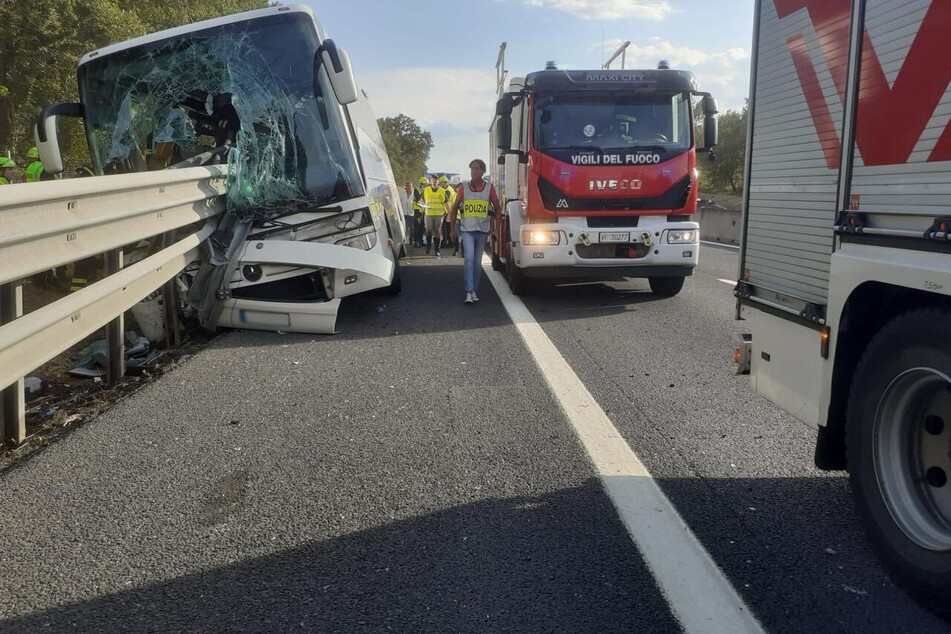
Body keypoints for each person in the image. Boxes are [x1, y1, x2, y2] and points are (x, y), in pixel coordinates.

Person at [449, 159, 501, 304]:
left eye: (477, 169)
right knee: (469, 258)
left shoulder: (489, 188)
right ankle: (469, 290)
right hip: (467, 230)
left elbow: (497, 208)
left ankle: (474, 290)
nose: (474, 171)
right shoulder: (464, 188)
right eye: (472, 169)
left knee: (477, 262)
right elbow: (454, 209)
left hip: (483, 230)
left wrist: (496, 229)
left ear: (483, 171)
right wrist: (453, 229)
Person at [421, 174, 450, 256]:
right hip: (428, 214)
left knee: (437, 232)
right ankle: (429, 245)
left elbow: (446, 203)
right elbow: (422, 200)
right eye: (432, 179)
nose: (434, 181)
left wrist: (449, 214)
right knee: (428, 231)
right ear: (430, 181)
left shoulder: (442, 191)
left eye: (436, 180)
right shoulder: (426, 190)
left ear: (438, 181)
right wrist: (422, 204)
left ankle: (437, 250)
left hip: (439, 215)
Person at [400, 181, 415, 246]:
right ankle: (403, 240)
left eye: (410, 186)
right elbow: (399, 202)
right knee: (403, 227)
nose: (408, 187)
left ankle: (411, 239)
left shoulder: (414, 194)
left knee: (412, 227)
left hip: (412, 213)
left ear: (412, 187)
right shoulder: (402, 193)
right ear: (405, 187)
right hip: (404, 213)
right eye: (407, 186)